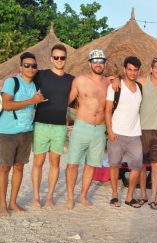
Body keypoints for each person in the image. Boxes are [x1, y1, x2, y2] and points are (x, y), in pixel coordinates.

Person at [0, 52, 46, 216]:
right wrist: (31, 101)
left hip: (26, 133)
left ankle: (13, 202)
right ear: (21, 67)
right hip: (7, 132)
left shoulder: (35, 86)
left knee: (19, 168)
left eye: (33, 66)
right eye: (27, 65)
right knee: (4, 169)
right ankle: (2, 205)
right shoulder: (12, 82)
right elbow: (6, 104)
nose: (30, 68)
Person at [31, 44, 74, 208]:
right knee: (38, 162)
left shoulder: (71, 79)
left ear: (66, 59)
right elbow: (22, 78)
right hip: (41, 123)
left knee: (55, 162)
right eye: (56, 57)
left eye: (62, 57)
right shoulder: (40, 75)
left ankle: (49, 197)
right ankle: (36, 197)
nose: (59, 60)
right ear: (51, 58)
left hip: (59, 127)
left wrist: (111, 81)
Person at [66, 49, 109, 209]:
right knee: (72, 163)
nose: (98, 64)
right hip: (82, 126)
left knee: (91, 164)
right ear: (89, 63)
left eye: (101, 61)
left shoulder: (109, 83)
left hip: (100, 129)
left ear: (105, 63)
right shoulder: (80, 80)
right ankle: (70, 197)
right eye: (95, 61)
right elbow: (67, 100)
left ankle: (83, 196)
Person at [105, 56, 144, 208]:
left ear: (139, 70)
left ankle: (129, 197)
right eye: (130, 70)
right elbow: (108, 110)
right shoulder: (115, 87)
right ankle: (114, 195)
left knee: (136, 166)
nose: (132, 73)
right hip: (117, 133)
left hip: (135, 134)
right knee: (114, 165)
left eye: (135, 70)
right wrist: (110, 130)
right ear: (124, 69)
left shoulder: (140, 87)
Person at [137, 58, 157, 208]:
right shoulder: (142, 81)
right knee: (143, 166)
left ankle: (154, 198)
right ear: (151, 68)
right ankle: (143, 195)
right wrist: (115, 78)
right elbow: (127, 82)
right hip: (142, 129)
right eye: (156, 67)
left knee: (156, 166)